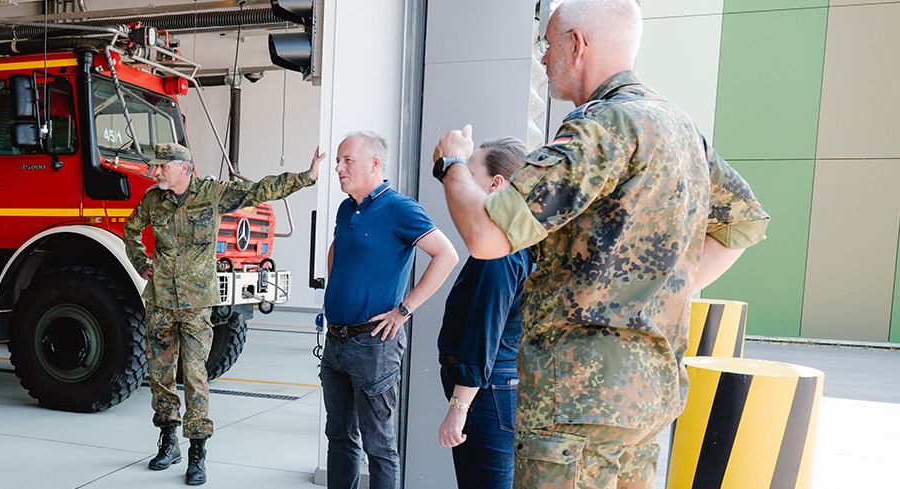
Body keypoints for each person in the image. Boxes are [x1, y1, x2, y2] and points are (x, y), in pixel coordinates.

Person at [428, 0, 771, 487]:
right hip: (644, 400)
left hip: (577, 404)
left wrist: (453, 166)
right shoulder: (679, 128)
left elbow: (487, 237)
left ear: (577, 44)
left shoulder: (603, 127)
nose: (544, 59)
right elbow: (743, 226)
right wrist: (652, 296)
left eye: (548, 45)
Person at [122, 142, 321, 485]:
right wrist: (142, 264)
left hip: (197, 303)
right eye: (155, 167)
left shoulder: (213, 194)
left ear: (183, 168)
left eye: (162, 167)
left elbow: (260, 190)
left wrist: (308, 176)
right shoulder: (154, 200)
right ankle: (168, 440)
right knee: (160, 374)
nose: (155, 173)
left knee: (195, 376)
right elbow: (131, 230)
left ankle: (197, 450)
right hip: (161, 301)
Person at [322, 131, 460, 489]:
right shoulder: (346, 207)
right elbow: (338, 249)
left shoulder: (400, 208)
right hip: (336, 342)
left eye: (346, 160)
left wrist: (404, 309)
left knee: (379, 445)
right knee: (339, 438)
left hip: (373, 346)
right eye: (338, 161)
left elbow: (447, 255)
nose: (338, 168)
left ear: (375, 164)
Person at [434, 137, 534, 489]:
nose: (462, 183)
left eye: (469, 172)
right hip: (490, 388)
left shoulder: (501, 251)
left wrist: (457, 411)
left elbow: (483, 333)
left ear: (497, 184)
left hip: (487, 392)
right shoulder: (508, 241)